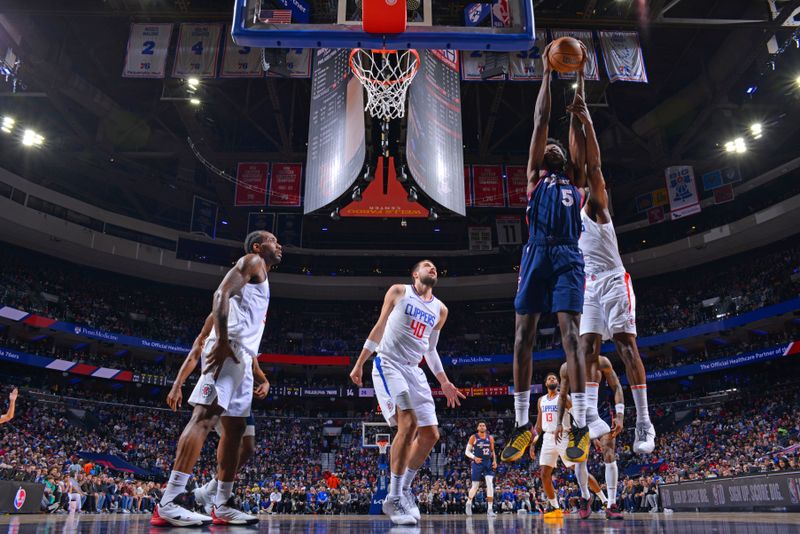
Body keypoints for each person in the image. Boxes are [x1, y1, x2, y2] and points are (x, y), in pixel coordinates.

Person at [151, 230, 282, 527]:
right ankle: (169, 502)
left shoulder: (262, 278)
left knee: (235, 431)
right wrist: (222, 340)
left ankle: (222, 503)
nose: (280, 245)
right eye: (274, 241)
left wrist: (257, 372)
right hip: (228, 350)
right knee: (204, 418)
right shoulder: (252, 261)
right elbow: (220, 294)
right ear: (259, 246)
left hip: (243, 358)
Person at [502, 41, 592, 465]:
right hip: (536, 253)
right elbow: (541, 119)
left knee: (571, 335)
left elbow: (579, 133)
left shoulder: (578, 181)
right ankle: (522, 424)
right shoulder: (535, 177)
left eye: (558, 146)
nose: (552, 145)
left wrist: (581, 83)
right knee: (523, 335)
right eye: (547, 146)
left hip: (568, 257)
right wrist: (545, 73)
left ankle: (582, 423)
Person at [570, 78, 656, 455]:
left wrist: (587, 122)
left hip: (613, 281)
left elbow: (592, 164)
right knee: (586, 346)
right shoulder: (569, 218)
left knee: (625, 347)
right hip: (590, 285)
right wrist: (571, 121)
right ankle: (590, 416)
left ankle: (645, 423)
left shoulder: (596, 207)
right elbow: (574, 163)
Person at [349, 259, 465, 525]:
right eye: (426, 265)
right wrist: (359, 363)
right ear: (415, 274)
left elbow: (431, 350)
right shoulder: (399, 291)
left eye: (435, 266)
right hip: (388, 363)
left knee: (430, 434)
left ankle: (402, 491)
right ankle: (393, 497)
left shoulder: (441, 310)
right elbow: (379, 328)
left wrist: (444, 381)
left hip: (414, 370)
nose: (432, 268)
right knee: (408, 423)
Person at [165, 312, 270, 514]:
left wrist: (264, 381)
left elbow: (252, 359)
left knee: (247, 446)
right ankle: (174, 496)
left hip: (242, 382)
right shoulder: (219, 312)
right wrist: (177, 384)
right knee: (204, 421)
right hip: (223, 377)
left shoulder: (253, 316)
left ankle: (210, 493)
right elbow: (196, 350)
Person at [559, 354, 625, 519]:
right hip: (579, 423)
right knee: (580, 461)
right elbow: (562, 397)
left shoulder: (602, 361)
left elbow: (616, 386)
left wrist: (620, 415)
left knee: (610, 452)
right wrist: (560, 424)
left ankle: (611, 504)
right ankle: (585, 496)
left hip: (596, 420)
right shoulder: (567, 367)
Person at [532, 373, 606, 519]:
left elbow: (579, 418)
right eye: (549, 378)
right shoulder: (541, 400)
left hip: (564, 435)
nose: (552, 379)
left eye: (554, 378)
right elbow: (539, 425)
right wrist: (533, 444)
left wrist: (593, 436)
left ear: (558, 383)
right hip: (547, 437)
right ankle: (555, 508)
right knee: (544, 474)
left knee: (579, 470)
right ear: (545, 384)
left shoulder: (565, 397)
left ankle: (604, 500)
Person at [465, 421, 497, 516]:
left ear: (486, 427)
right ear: (477, 428)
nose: (482, 427)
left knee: (490, 484)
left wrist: (494, 461)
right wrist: (474, 457)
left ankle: (490, 509)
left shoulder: (490, 438)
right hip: (477, 463)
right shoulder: (473, 437)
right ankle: (468, 503)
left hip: (487, 462)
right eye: (480, 425)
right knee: (475, 486)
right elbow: (467, 452)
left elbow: (492, 451)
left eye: (483, 425)